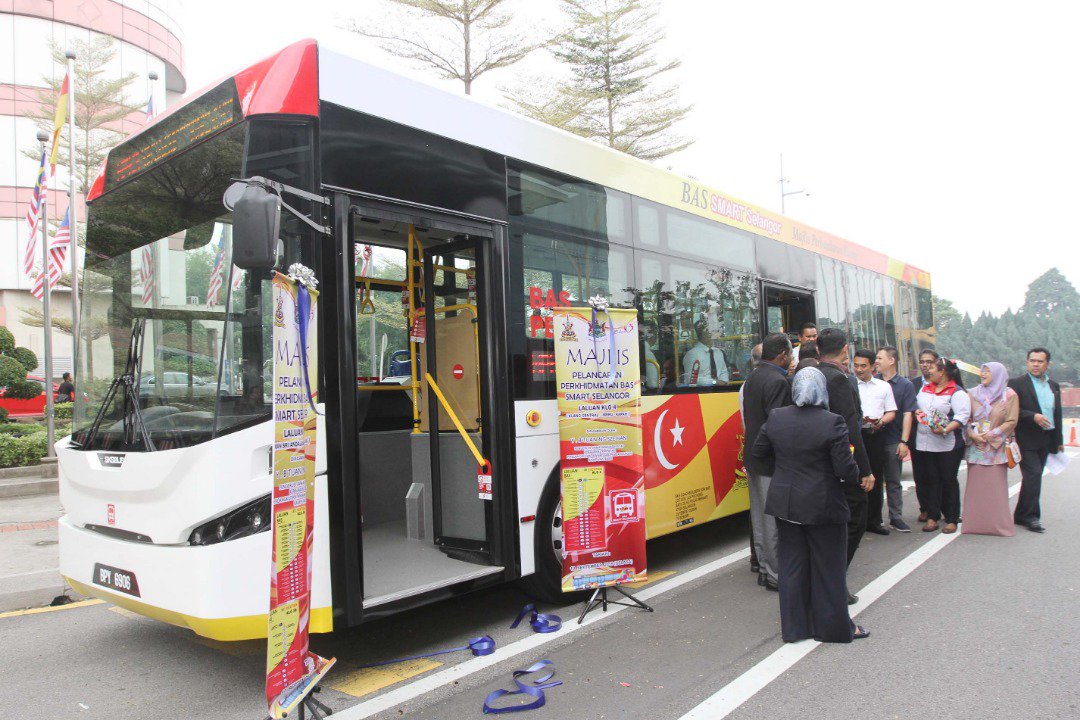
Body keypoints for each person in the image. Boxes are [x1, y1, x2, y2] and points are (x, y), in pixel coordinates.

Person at [751, 367, 868, 642]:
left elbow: (758, 454)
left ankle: (795, 629)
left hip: (785, 504)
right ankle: (834, 629)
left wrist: (783, 473)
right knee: (829, 568)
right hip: (822, 503)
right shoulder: (832, 422)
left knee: (791, 567)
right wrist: (850, 474)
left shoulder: (778, 417)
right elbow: (845, 469)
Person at [815, 328, 874, 604]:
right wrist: (865, 470)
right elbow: (851, 427)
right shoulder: (840, 380)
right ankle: (834, 582)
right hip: (840, 461)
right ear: (843, 352)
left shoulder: (809, 376)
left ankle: (828, 581)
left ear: (818, 351)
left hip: (814, 462)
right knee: (854, 520)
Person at [741, 333, 793, 591]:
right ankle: (774, 574)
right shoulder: (778, 380)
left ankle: (764, 568)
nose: (792, 359)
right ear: (782, 355)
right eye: (791, 354)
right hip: (770, 458)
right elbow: (777, 423)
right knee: (772, 518)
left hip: (752, 455)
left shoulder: (753, 377)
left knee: (759, 516)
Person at [1007, 348, 1064, 533]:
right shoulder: (1016, 383)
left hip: (1047, 438)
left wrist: (1059, 440)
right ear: (1027, 362)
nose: (1036, 364)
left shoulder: (1053, 385)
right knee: (1033, 475)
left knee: (1034, 477)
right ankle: (1031, 517)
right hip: (1026, 438)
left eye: (1040, 361)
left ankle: (1021, 514)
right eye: (1032, 361)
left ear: (1048, 364)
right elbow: (1011, 410)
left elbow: (1057, 413)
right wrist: (1033, 416)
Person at [914, 357, 970, 533]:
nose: (929, 371)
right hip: (925, 442)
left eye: (933, 369)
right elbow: (919, 407)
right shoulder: (925, 388)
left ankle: (952, 518)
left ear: (943, 372)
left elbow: (961, 417)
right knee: (930, 479)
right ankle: (933, 516)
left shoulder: (957, 392)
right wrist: (918, 414)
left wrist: (945, 429)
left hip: (947, 444)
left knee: (948, 480)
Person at [964, 362, 1019, 536]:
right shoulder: (972, 393)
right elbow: (965, 419)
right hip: (977, 448)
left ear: (998, 374)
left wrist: (991, 435)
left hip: (996, 450)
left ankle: (998, 526)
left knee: (995, 491)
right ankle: (974, 525)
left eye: (987, 371)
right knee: (977, 490)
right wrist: (973, 435)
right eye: (982, 371)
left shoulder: (1009, 395)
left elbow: (1011, 422)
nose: (983, 374)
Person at [852, 350, 896, 536]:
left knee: (876, 477)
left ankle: (874, 520)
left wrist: (880, 422)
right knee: (855, 478)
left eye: (863, 366)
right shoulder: (849, 384)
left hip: (875, 435)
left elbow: (891, 411)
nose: (859, 370)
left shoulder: (883, 387)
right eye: (856, 365)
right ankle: (856, 521)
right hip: (855, 436)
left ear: (872, 366)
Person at [874, 346, 917, 532]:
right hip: (873, 439)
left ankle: (896, 517)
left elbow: (908, 414)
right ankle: (874, 519)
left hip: (893, 440)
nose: (876, 361)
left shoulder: (905, 385)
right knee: (873, 481)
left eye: (879, 358)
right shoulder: (871, 382)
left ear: (891, 360)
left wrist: (904, 441)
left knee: (893, 481)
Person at [739, 343, 763, 575]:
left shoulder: (747, 385)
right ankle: (761, 558)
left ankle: (758, 557)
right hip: (762, 454)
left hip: (753, 450)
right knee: (762, 507)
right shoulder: (767, 383)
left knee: (757, 506)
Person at [911, 349, 940, 523]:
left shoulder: (944, 383)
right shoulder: (913, 384)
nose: (925, 365)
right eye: (922, 361)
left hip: (940, 436)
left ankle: (938, 508)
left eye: (929, 362)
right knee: (920, 475)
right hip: (918, 436)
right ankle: (925, 508)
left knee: (938, 474)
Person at [682, 319, 729, 386]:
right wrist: (713, 382)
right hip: (700, 393)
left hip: (720, 391)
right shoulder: (692, 354)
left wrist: (722, 382)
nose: (713, 333)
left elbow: (724, 373)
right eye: (710, 330)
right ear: (702, 333)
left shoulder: (718, 352)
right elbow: (690, 379)